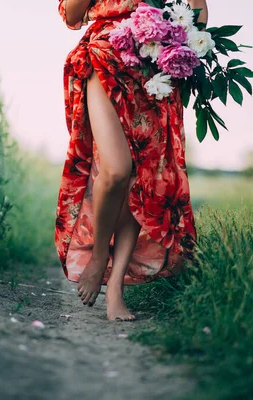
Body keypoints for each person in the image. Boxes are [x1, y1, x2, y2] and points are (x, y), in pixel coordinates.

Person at [54, 0, 207, 321]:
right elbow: (71, 14)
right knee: (116, 170)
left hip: (155, 63)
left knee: (142, 178)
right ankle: (99, 257)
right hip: (105, 55)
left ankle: (116, 288)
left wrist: (180, 39)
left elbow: (199, 15)